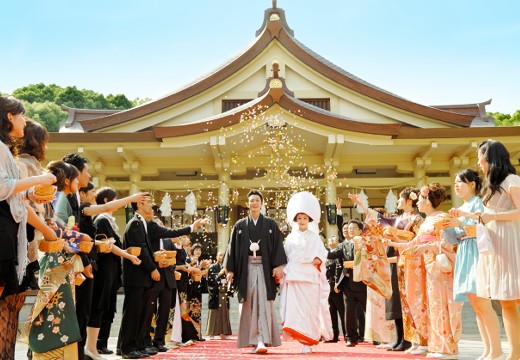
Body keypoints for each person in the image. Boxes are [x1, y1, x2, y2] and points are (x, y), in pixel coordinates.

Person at [0, 96, 56, 359]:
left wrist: (31, 194)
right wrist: (39, 179)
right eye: (22, 115)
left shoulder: (5, 149)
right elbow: (2, 188)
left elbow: (11, 193)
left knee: (9, 308)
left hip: (10, 236)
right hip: (2, 236)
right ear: (10, 116)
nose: (25, 121)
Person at [118, 194, 207, 359]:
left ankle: (137, 345)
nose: (152, 206)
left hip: (144, 277)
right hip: (136, 277)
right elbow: (142, 250)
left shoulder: (146, 224)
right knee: (133, 312)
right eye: (149, 203)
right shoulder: (136, 223)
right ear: (140, 204)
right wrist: (153, 268)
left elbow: (170, 232)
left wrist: (191, 227)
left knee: (141, 312)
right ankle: (127, 348)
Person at [387, 183, 462, 359]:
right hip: (428, 269)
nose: (418, 203)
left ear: (427, 200)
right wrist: (393, 244)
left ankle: (447, 347)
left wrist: (427, 248)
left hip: (439, 269)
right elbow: (415, 244)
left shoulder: (441, 218)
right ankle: (436, 345)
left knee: (441, 305)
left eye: (420, 199)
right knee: (432, 307)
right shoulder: (427, 221)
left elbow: (451, 244)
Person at [441, 168, 504, 360]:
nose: (456, 186)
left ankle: (496, 350)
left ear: (472, 184)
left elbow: (484, 227)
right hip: (465, 253)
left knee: (483, 303)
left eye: (460, 182)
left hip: (477, 252)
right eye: (455, 183)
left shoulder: (479, 203)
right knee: (477, 306)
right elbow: (455, 238)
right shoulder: (462, 206)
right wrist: (446, 226)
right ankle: (487, 349)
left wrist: (460, 221)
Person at [349, 188, 423, 351]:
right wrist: (362, 205)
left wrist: (399, 237)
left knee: (411, 300)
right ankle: (402, 338)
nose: (397, 202)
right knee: (397, 301)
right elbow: (378, 219)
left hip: (412, 260)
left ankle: (414, 339)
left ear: (409, 201)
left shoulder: (418, 219)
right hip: (399, 261)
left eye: (400, 199)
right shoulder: (398, 219)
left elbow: (419, 240)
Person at [81, 186, 143, 360]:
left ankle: (96, 346)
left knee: (106, 307)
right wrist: (128, 255)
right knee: (99, 305)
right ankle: (93, 346)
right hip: (104, 268)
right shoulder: (102, 219)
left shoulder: (108, 220)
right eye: (115, 199)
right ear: (107, 201)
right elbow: (109, 245)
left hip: (112, 269)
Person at [223, 190, 287, 354]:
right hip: (246, 269)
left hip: (264, 270)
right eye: (251, 200)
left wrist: (278, 267)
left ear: (262, 203)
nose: (254, 203)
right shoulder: (240, 225)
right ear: (248, 204)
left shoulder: (271, 224)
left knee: (264, 302)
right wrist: (230, 270)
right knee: (248, 302)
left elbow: (278, 246)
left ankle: (263, 339)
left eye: (257, 200)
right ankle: (252, 339)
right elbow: (232, 248)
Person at [474, 140, 520, 360]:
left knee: (515, 297)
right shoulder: (490, 185)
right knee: (506, 301)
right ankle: (515, 353)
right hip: (495, 247)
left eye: (480, 157)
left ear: (490, 158)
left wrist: (493, 216)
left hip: (511, 242)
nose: (478, 162)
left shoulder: (513, 180)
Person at [279, 191, 333, 354]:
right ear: (295, 220)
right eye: (299, 218)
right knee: (296, 311)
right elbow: (285, 256)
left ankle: (308, 341)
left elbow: (323, 254)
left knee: (310, 311)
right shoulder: (289, 238)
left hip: (310, 276)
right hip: (294, 276)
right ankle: (301, 339)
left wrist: (319, 260)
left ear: (309, 220)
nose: (302, 221)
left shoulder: (315, 237)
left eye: (305, 218)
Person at [327, 219, 367, 347]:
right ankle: (351, 338)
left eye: (353, 228)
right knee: (349, 313)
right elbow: (332, 256)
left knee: (368, 310)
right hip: (348, 284)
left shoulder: (365, 243)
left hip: (363, 282)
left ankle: (376, 337)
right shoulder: (343, 245)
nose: (350, 230)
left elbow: (369, 260)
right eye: (349, 228)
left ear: (360, 231)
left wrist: (354, 264)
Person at [324, 236, 346, 343]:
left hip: (336, 287)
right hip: (327, 287)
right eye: (330, 239)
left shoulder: (338, 253)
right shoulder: (326, 253)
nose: (331, 241)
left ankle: (347, 335)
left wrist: (337, 284)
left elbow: (339, 269)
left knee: (342, 311)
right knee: (331, 311)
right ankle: (334, 335)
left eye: (334, 239)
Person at [206, 251, 232, 340]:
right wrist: (220, 274)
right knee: (214, 313)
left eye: (223, 255)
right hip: (216, 292)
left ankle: (224, 332)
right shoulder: (212, 267)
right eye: (220, 255)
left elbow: (231, 280)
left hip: (224, 292)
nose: (221, 257)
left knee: (224, 312)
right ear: (216, 257)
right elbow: (210, 281)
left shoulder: (227, 267)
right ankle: (211, 333)